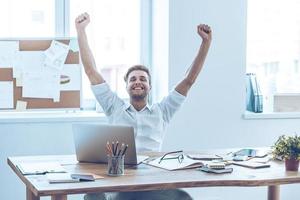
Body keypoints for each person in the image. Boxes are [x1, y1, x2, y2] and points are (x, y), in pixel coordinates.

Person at [75, 12, 212, 200]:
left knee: (183, 197)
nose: (137, 82)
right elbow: (91, 71)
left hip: (152, 180)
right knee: (92, 195)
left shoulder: (163, 110)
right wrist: (80, 30)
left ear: (150, 86)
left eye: (142, 79)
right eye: (133, 79)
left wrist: (205, 43)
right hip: (120, 181)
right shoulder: (114, 107)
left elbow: (189, 80)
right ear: (126, 86)